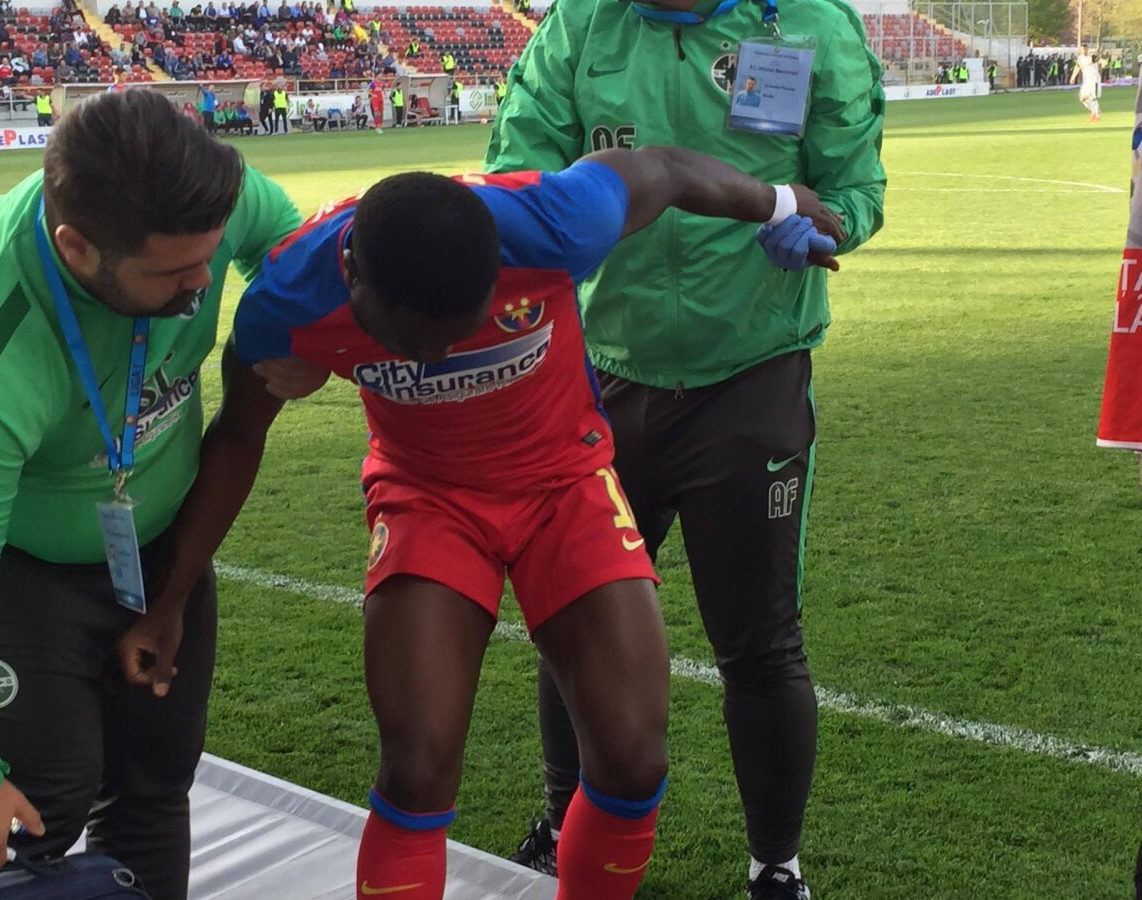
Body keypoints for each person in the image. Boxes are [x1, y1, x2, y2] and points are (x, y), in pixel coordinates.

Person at [111, 146, 843, 900]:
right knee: (418, 764)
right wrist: (169, 603)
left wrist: (781, 200)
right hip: (429, 499)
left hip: (565, 481)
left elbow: (665, 171)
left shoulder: (555, 224)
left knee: (633, 757)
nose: (437, 357)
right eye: (412, 344)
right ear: (354, 279)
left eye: (459, 331)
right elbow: (237, 439)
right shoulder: (289, 304)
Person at [486, 0, 886, 896]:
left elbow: (856, 189)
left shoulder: (813, 26)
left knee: (759, 644)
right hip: (604, 382)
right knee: (575, 628)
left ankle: (776, 868)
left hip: (751, 378)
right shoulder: (582, 25)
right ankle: (563, 824)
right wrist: (550, 219)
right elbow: (515, 171)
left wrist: (825, 227)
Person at [0, 90, 302, 897]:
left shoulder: (207, 201)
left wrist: (303, 331)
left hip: (163, 541)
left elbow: (288, 245)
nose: (203, 283)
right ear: (76, 249)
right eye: (174, 273)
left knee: (154, 778)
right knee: (36, 804)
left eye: (208, 258)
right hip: (24, 567)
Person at [1071, 45, 1101, 123]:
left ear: (1088, 49)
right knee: (1082, 99)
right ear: (1081, 50)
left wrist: (1104, 62)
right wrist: (1073, 77)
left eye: (1085, 49)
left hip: (1094, 80)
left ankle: (1097, 115)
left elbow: (1100, 60)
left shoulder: (1092, 57)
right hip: (1086, 81)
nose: (1084, 51)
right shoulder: (1080, 59)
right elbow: (1077, 67)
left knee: (1093, 98)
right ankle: (1094, 111)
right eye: (1082, 49)